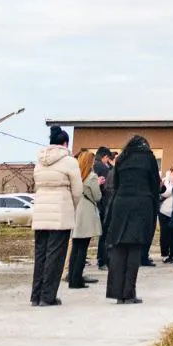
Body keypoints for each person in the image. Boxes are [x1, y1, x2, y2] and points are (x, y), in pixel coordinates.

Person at [104, 134, 161, 304]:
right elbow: (154, 184)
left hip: (121, 203)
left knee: (119, 246)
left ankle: (116, 293)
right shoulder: (149, 158)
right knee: (134, 247)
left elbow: (117, 183)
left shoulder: (122, 158)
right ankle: (129, 293)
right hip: (141, 203)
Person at [31, 126, 83, 306]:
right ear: (65, 143)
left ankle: (35, 295)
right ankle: (48, 296)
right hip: (60, 211)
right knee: (56, 255)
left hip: (40, 211)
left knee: (40, 255)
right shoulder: (69, 161)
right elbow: (77, 191)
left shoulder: (39, 161)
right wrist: (72, 206)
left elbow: (36, 184)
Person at [68, 150, 103, 289]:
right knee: (82, 248)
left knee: (76, 247)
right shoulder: (92, 177)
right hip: (87, 213)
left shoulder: (75, 176)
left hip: (76, 211)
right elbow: (97, 196)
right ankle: (77, 280)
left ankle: (72, 278)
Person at [93, 146, 115, 271]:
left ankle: (100, 259)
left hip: (98, 204)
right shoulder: (102, 167)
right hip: (104, 203)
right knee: (105, 233)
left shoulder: (94, 166)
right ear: (105, 157)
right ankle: (103, 260)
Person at [158, 165, 173, 263]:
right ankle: (164, 254)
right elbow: (164, 193)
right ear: (171, 172)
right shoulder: (166, 181)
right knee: (165, 234)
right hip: (165, 211)